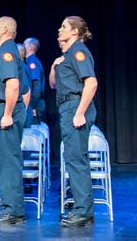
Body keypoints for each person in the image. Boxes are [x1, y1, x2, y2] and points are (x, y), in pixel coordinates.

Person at [49, 16, 98, 227]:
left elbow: (92, 83)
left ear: (75, 32)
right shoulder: (67, 55)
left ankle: (83, 211)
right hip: (66, 106)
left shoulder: (79, 51)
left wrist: (79, 113)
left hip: (75, 107)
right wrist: (55, 65)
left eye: (64, 27)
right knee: (73, 158)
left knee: (77, 160)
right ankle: (82, 209)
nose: (59, 30)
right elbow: (53, 85)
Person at [0, 16, 26, 225]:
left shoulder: (7, 52)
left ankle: (12, 210)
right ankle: (11, 207)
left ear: (4, 29)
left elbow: (13, 85)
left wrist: (8, 114)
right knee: (4, 160)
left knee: (7, 160)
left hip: (4, 109)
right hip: (1, 108)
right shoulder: (3, 52)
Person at [24, 37, 46, 125]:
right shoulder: (28, 62)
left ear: (30, 47)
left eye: (24, 44)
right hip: (33, 103)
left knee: (31, 133)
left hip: (35, 104)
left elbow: (36, 85)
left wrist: (32, 106)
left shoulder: (33, 62)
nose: (23, 46)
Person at [17, 43, 33, 127]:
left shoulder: (22, 67)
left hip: (23, 108)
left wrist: (24, 111)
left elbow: (26, 91)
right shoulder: (23, 66)